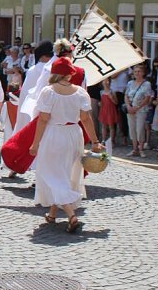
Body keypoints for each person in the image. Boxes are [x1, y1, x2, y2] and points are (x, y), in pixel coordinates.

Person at [28, 57, 103, 233]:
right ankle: (52, 214)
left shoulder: (49, 92)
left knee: (50, 173)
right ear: (70, 74)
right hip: (74, 134)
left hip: (54, 133)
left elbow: (43, 119)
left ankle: (71, 215)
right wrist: (95, 141)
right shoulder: (80, 92)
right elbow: (85, 118)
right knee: (65, 173)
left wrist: (35, 143)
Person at [125, 64, 153, 157]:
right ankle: (134, 149)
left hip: (141, 110)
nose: (137, 73)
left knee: (140, 129)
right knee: (132, 129)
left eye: (139, 71)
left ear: (143, 73)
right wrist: (128, 106)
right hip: (130, 109)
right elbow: (126, 95)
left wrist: (137, 107)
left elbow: (147, 97)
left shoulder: (146, 84)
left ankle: (141, 149)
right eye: (135, 71)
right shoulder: (130, 83)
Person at [98, 78, 119, 145]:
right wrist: (100, 103)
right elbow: (101, 102)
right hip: (104, 110)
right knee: (103, 126)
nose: (106, 82)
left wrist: (112, 98)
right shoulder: (101, 92)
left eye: (107, 81)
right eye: (104, 81)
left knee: (111, 126)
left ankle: (111, 140)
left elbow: (116, 102)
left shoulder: (112, 91)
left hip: (110, 110)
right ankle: (103, 140)